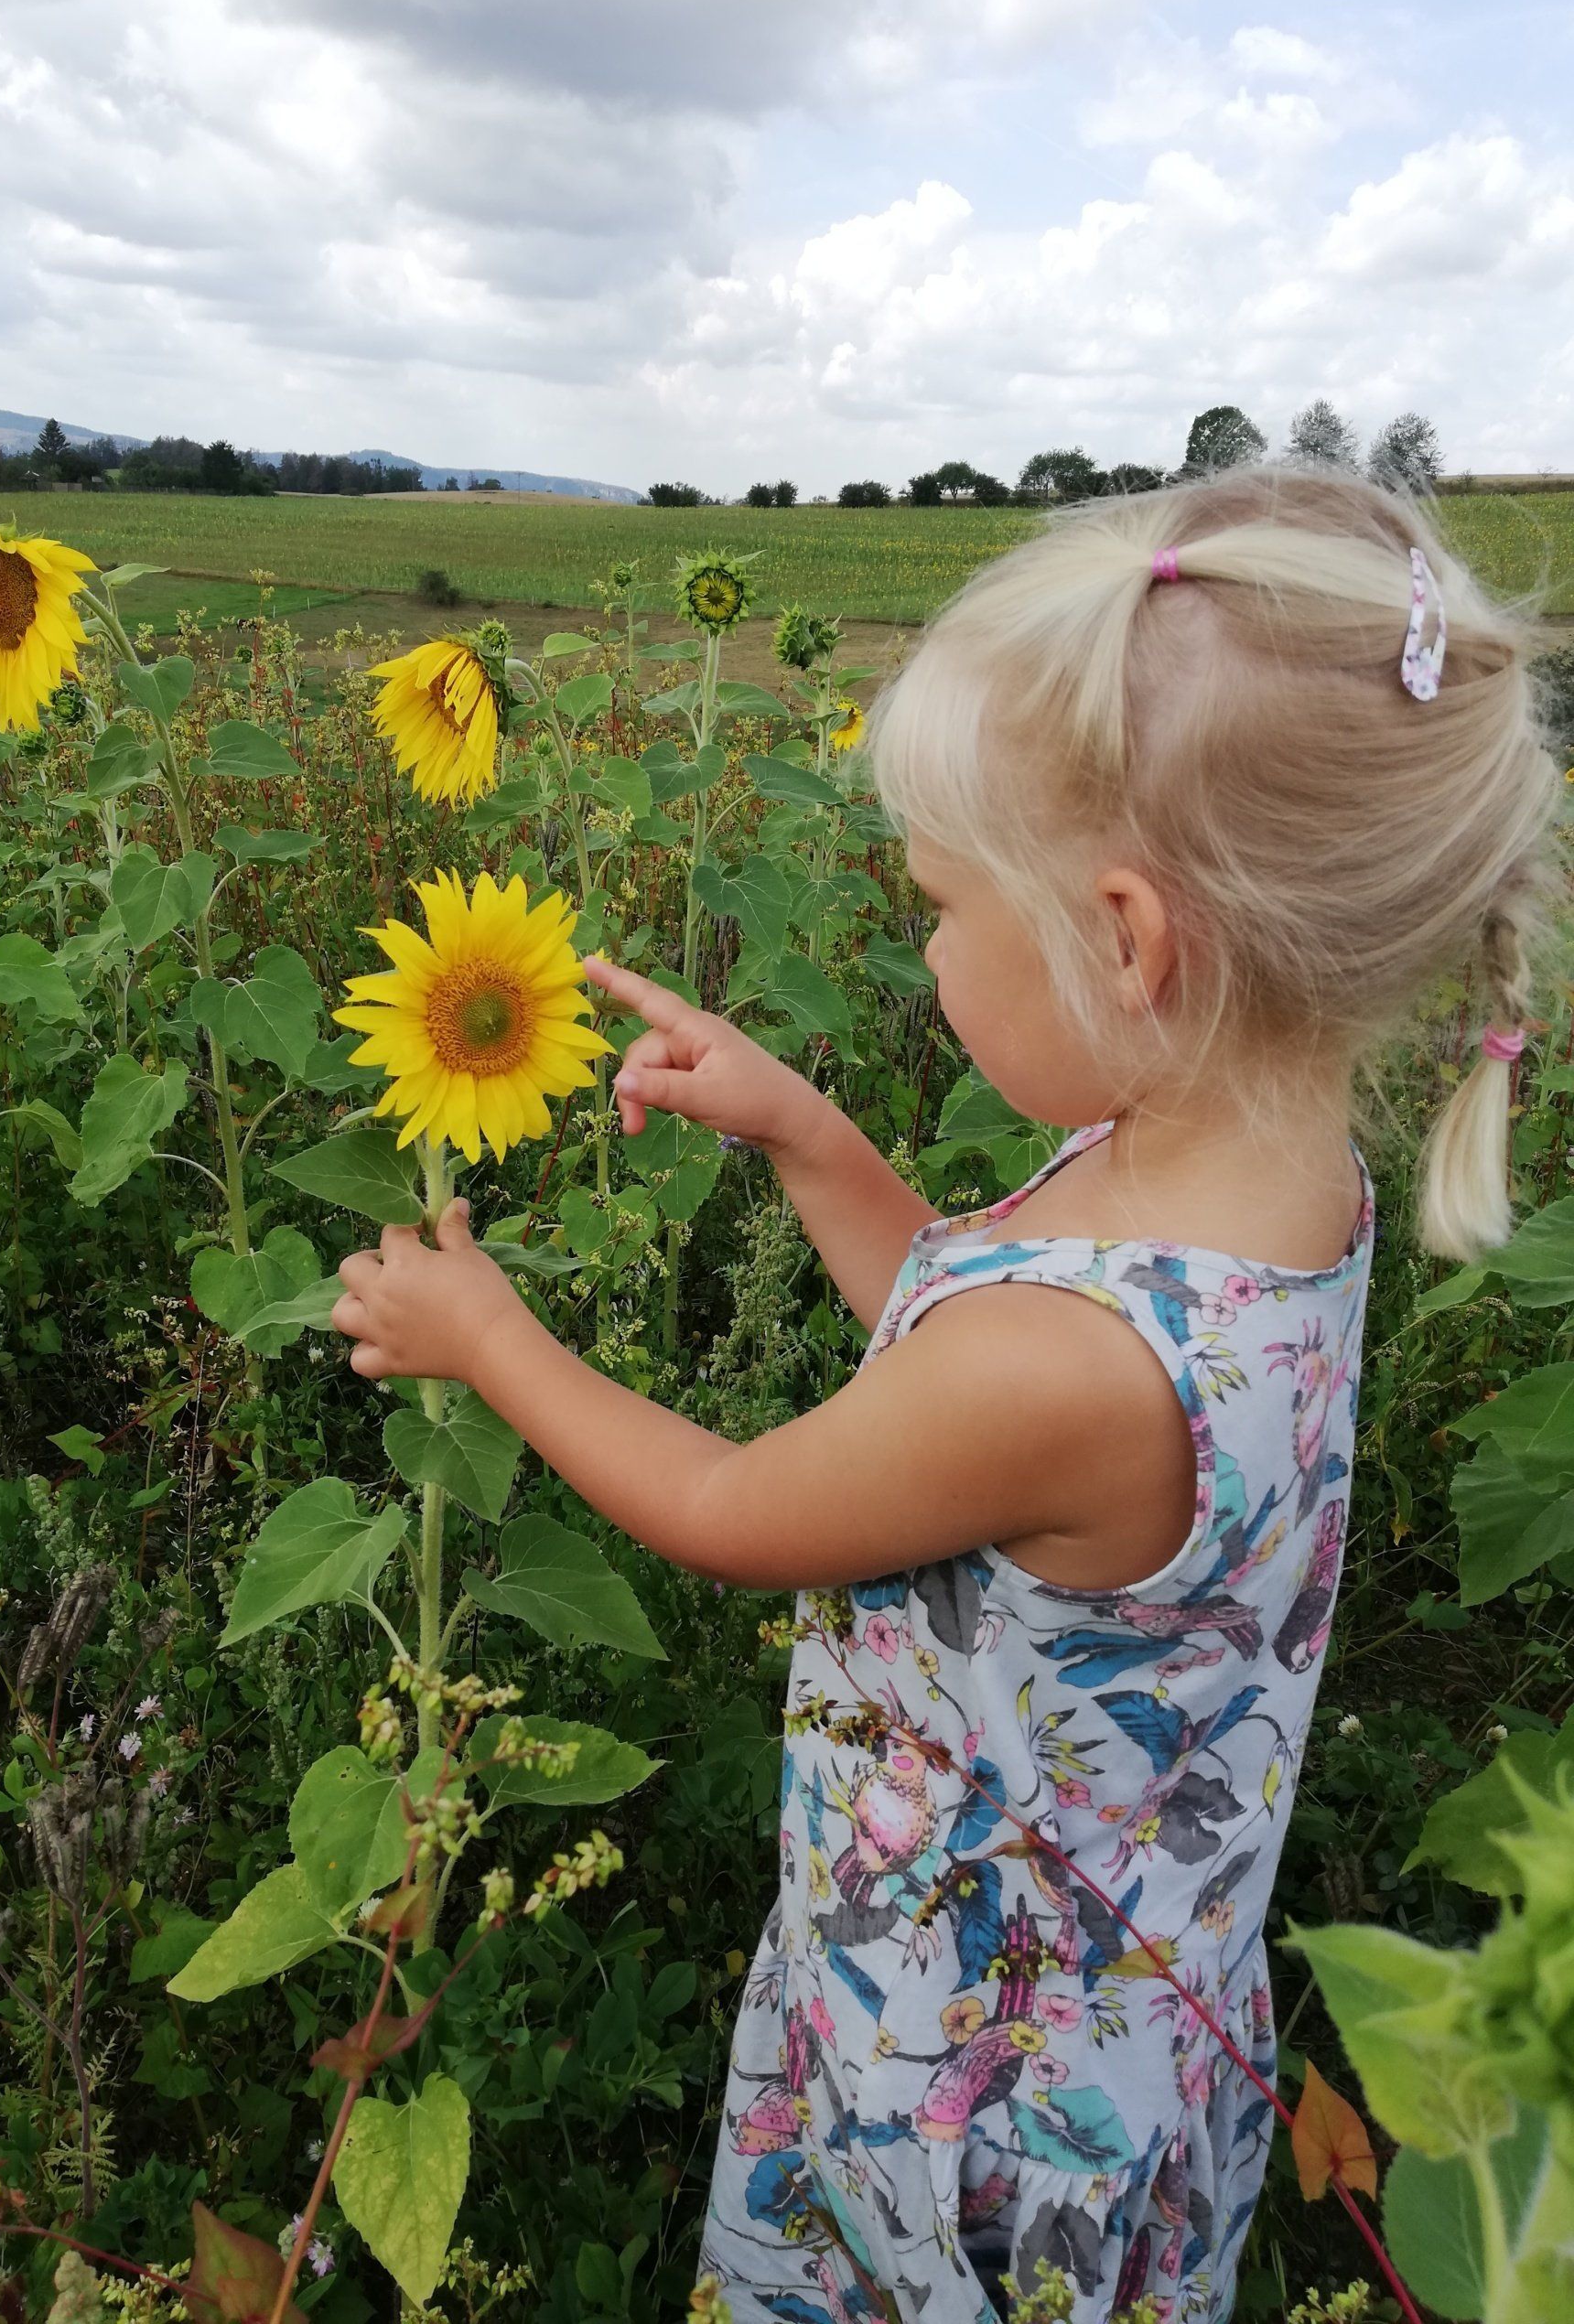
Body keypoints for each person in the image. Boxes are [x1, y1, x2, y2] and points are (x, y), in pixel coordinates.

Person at [329, 466, 1560, 2322]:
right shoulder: (1259, 1186)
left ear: (1130, 939)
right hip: (1133, 1994)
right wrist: (814, 1135)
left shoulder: (1070, 1364)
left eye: (939, 904)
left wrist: (491, 1337)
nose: (923, 945)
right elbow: (968, 1319)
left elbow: (742, 1507)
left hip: (962, 2071)